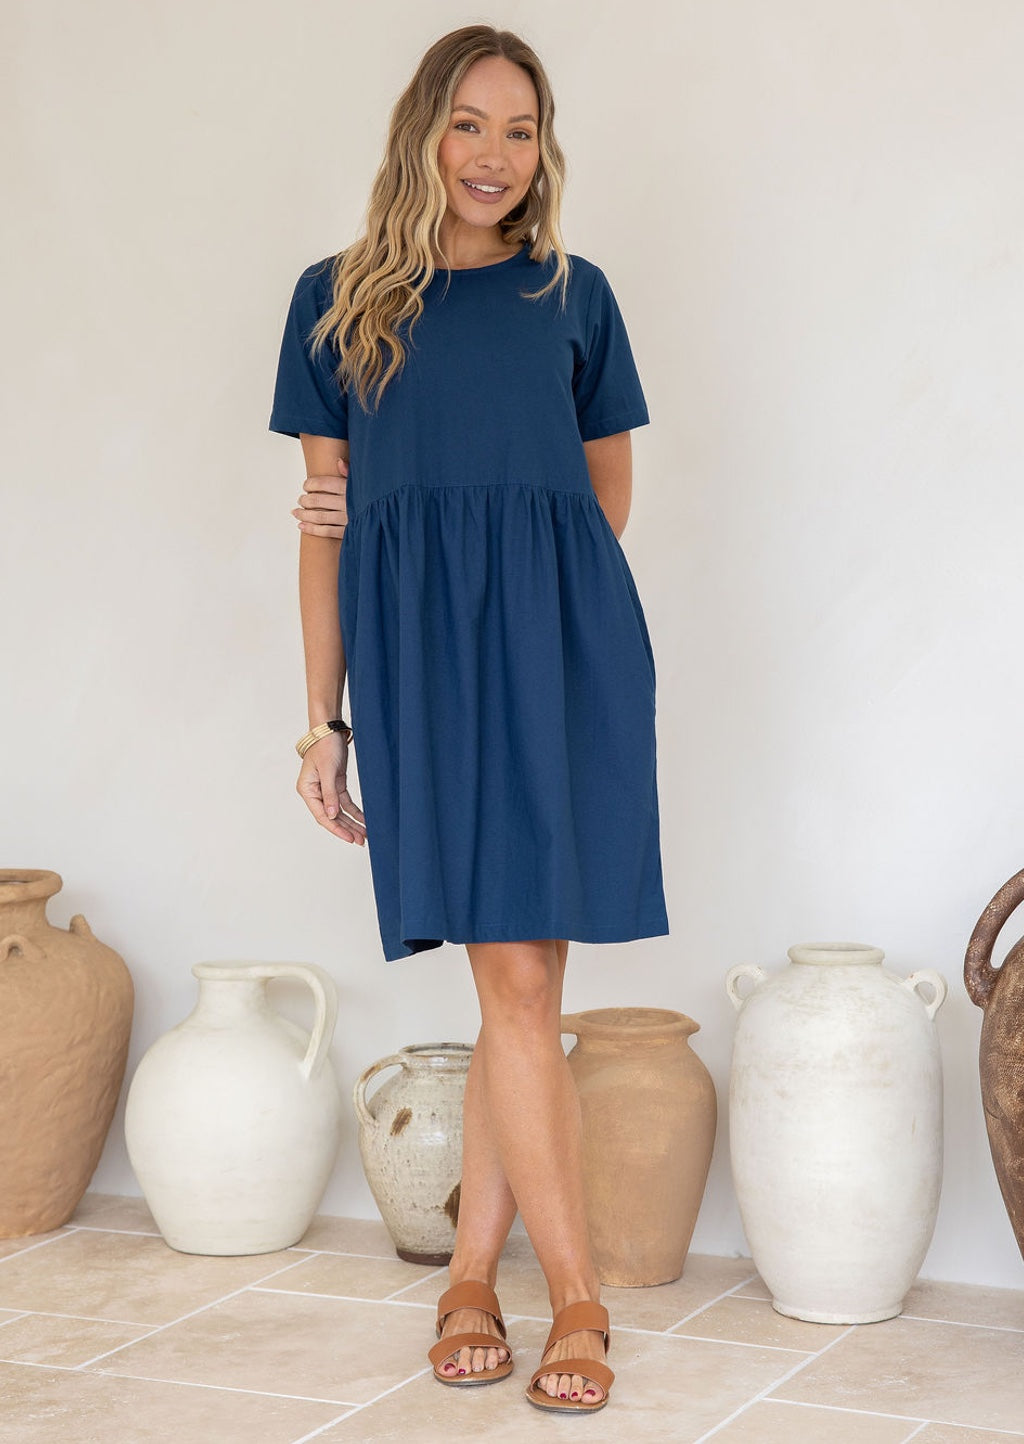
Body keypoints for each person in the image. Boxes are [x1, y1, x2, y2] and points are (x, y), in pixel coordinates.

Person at [269, 23, 669, 1415]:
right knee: (517, 985)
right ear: (420, 133)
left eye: (520, 130)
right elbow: (322, 529)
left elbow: (600, 500)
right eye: (470, 125)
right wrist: (321, 724)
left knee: (517, 983)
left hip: (559, 657)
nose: (496, 156)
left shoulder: (575, 295)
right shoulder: (336, 303)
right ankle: (483, 1279)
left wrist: (529, 599)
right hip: (417, 664)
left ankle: (551, 1295)